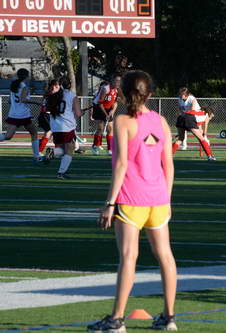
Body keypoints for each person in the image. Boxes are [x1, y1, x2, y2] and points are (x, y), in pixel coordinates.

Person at [87, 70, 177, 332]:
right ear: (150, 94)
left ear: (125, 93)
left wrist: (110, 203)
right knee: (166, 257)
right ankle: (169, 317)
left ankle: (117, 319)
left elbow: (122, 164)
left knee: (128, 257)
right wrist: (166, 198)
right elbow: (168, 165)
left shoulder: (122, 121)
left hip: (131, 199)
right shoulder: (160, 121)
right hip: (158, 199)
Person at [45, 77, 84, 179]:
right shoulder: (71, 95)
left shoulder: (53, 95)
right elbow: (78, 113)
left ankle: (53, 153)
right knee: (70, 149)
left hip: (55, 126)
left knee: (64, 149)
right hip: (66, 126)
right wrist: (82, 112)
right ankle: (61, 172)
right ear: (69, 85)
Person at [91, 74, 122, 155]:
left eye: (119, 81)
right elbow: (100, 103)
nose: (118, 83)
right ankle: (95, 146)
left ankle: (110, 149)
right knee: (100, 128)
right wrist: (106, 114)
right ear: (112, 81)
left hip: (108, 109)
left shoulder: (117, 90)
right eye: (117, 81)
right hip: (99, 107)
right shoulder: (105, 89)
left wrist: (112, 111)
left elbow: (115, 103)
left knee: (110, 129)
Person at [37, 79, 60, 156]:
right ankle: (39, 151)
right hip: (46, 115)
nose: (58, 88)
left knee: (54, 133)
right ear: (53, 86)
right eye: (57, 86)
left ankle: (40, 146)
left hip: (46, 115)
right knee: (50, 132)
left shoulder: (49, 93)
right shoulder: (52, 94)